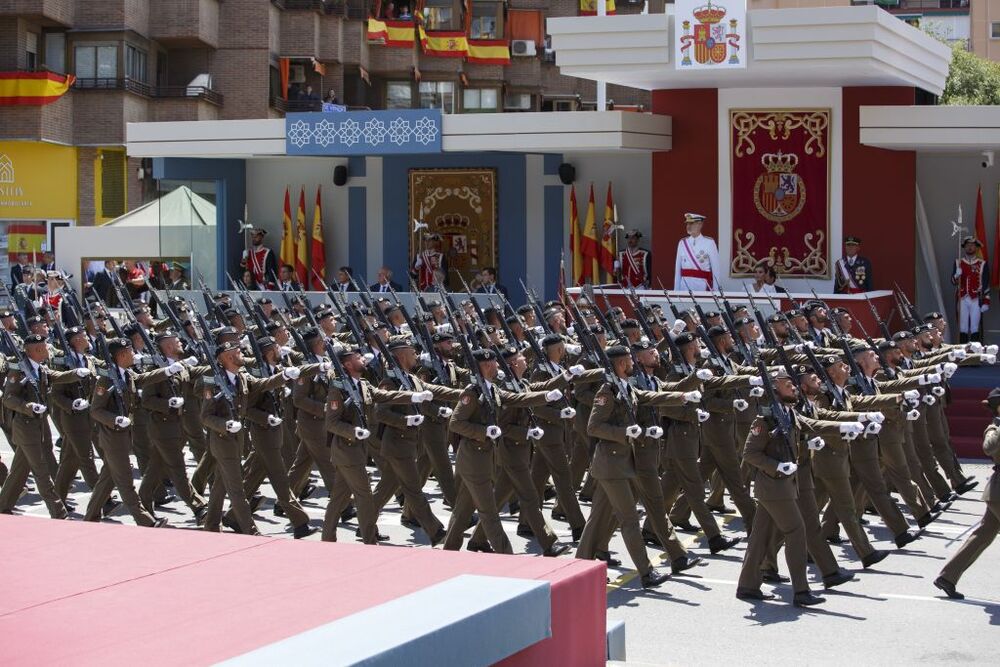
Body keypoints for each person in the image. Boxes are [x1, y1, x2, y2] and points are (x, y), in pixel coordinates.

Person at [934, 387, 1000, 600]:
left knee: (983, 534)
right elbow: (988, 448)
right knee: (983, 534)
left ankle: (947, 577)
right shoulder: (994, 427)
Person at [952, 236, 990, 343]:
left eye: (972, 245)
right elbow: (953, 282)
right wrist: (956, 275)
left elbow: (986, 283)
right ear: (964, 247)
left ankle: (975, 352)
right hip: (962, 298)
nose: (969, 247)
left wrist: (986, 301)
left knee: (974, 326)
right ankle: (962, 352)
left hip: (976, 299)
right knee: (963, 327)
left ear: (976, 248)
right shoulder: (958, 262)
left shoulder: (982, 264)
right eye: (967, 245)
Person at [673, 213, 720, 291]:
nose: (688, 226)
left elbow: (716, 270)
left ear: (700, 224)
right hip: (684, 287)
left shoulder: (709, 243)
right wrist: (676, 291)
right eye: (687, 223)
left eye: (691, 223)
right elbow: (677, 271)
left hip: (702, 286)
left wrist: (716, 291)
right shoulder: (682, 243)